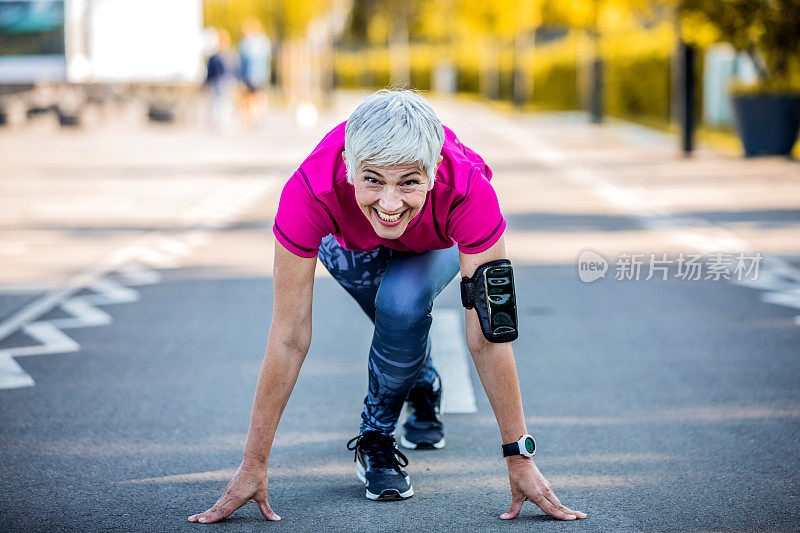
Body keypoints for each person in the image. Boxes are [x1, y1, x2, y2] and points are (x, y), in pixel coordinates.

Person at [188, 89, 587, 523]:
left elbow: (490, 335)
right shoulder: (309, 189)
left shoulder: (470, 189)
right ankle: (421, 381)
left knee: (401, 304)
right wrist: (254, 463)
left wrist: (520, 458)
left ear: (434, 172)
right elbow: (288, 336)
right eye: (373, 179)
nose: (390, 203)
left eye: (409, 182)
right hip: (347, 243)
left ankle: (376, 436)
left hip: (434, 244)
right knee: (400, 324)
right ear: (348, 166)